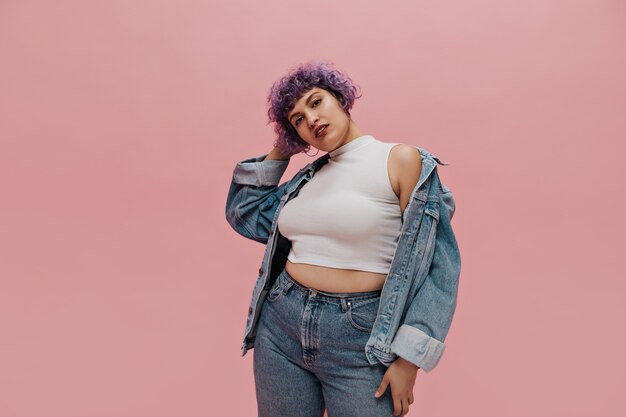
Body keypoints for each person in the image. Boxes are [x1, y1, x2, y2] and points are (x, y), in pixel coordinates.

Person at [225, 60, 462, 417]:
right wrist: (283, 149)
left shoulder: (400, 159)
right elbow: (245, 214)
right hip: (281, 325)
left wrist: (409, 358)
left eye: (316, 102)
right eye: (297, 120)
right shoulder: (308, 179)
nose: (311, 120)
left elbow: (440, 265)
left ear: (340, 98)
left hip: (360, 337)